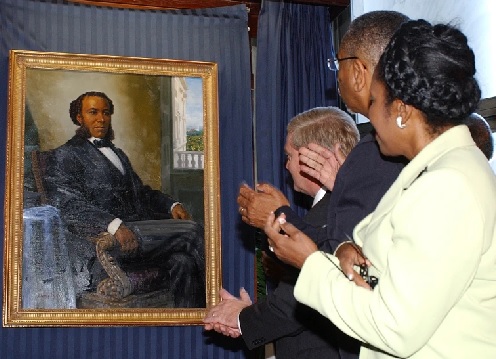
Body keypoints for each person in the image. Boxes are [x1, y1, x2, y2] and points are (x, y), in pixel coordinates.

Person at [266, 20, 496, 358]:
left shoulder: (448, 185)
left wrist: (310, 263)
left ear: (401, 110)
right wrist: (347, 252)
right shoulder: (440, 169)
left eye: (373, 102)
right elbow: (402, 281)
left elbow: (394, 327)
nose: (369, 120)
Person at [204, 11, 409, 359]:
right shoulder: (363, 167)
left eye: (338, 62)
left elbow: (338, 275)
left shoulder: (378, 160)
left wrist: (279, 216)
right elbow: (340, 261)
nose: (336, 75)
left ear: (359, 70)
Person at [45, 91, 205, 307]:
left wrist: (171, 205)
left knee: (183, 262)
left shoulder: (117, 153)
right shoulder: (65, 155)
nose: (101, 119)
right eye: (93, 112)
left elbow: (142, 193)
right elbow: (68, 205)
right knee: (193, 231)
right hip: (110, 244)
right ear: (79, 118)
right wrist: (114, 225)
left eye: (106, 112)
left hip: (141, 239)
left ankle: (192, 327)